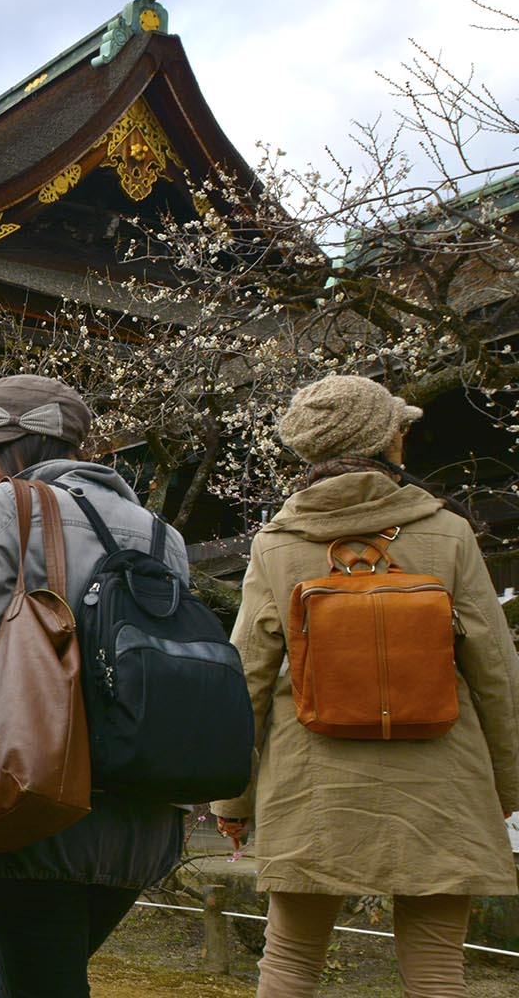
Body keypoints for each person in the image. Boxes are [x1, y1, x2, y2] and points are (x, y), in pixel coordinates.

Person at [209, 375, 519, 998]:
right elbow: (496, 672)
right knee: (437, 969)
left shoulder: (276, 544)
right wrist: (506, 786)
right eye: (400, 428)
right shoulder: (449, 533)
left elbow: (246, 678)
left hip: (311, 777)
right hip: (442, 775)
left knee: (291, 962)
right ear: (387, 440)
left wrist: (232, 801)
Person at [0, 374, 188, 997]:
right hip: (144, 812)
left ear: (30, 444)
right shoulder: (165, 537)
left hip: (39, 802)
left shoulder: (17, 505)